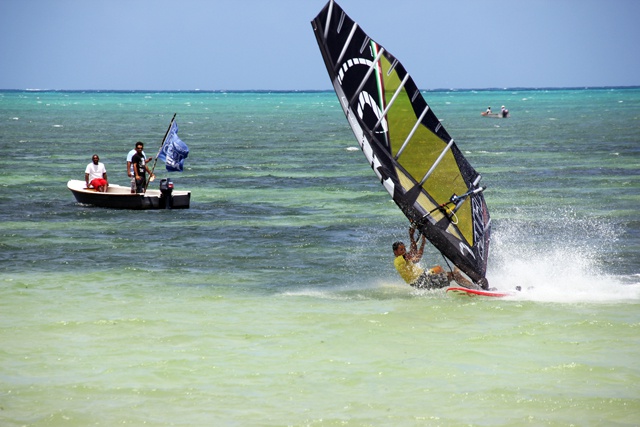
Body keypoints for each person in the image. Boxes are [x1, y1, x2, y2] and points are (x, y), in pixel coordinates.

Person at [392, 225, 479, 290]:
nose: (403, 251)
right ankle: (474, 288)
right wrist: (411, 236)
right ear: (395, 252)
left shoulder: (404, 259)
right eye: (401, 250)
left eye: (404, 249)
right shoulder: (399, 260)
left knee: (439, 268)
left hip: (424, 275)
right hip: (422, 282)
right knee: (454, 275)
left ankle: (451, 275)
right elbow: (413, 252)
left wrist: (423, 243)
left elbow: (417, 257)